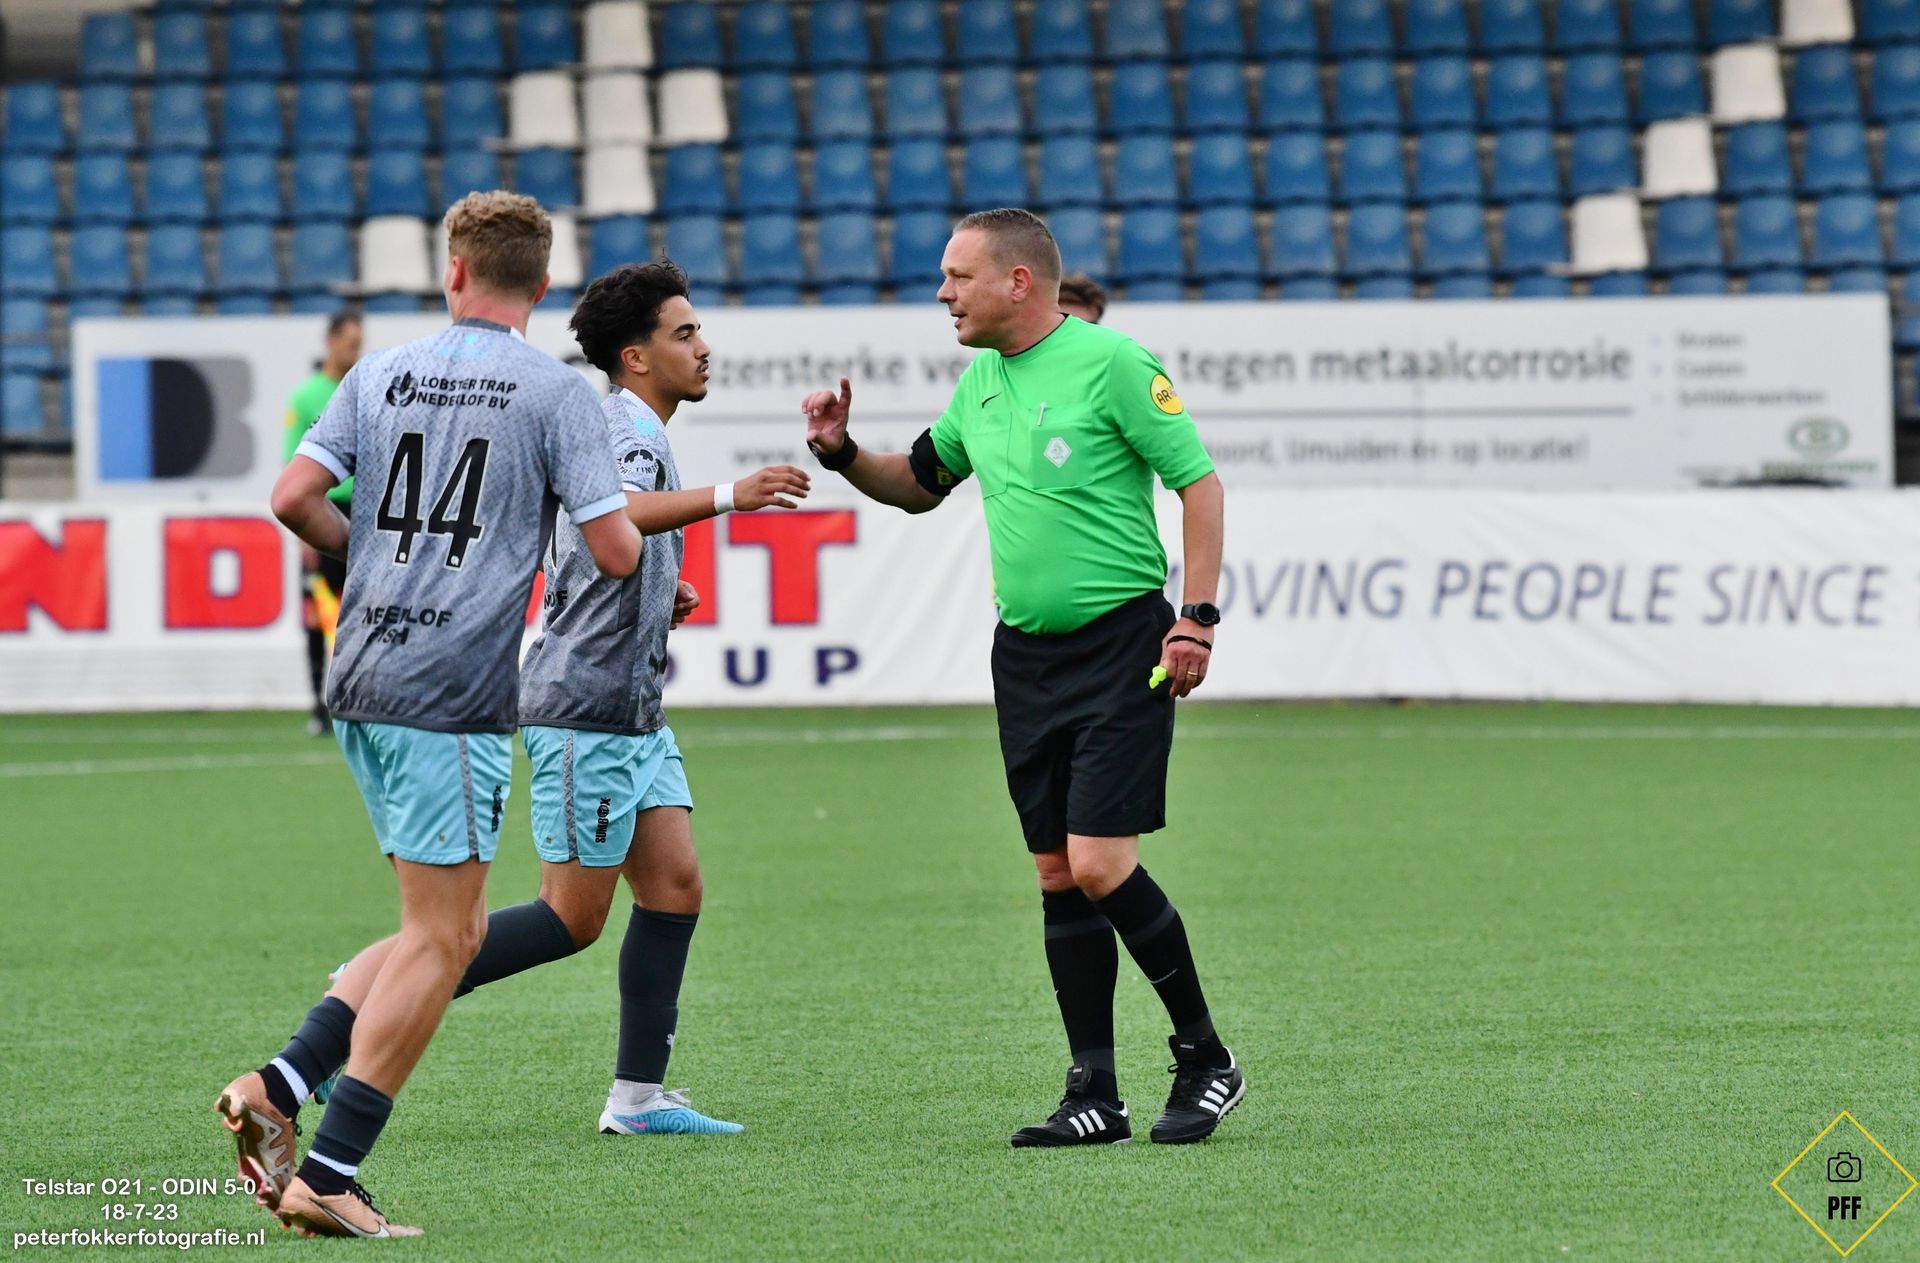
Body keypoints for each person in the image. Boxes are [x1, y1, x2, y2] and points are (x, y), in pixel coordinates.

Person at [278, 261, 810, 1140]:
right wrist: (730, 496)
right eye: (684, 333)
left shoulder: (629, 423)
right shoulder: (623, 427)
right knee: (567, 918)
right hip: (585, 703)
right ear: (636, 357)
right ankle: (365, 1000)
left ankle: (637, 1099)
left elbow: (584, 533)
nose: (703, 346)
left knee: (675, 887)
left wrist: (659, 590)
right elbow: (620, 513)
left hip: (632, 704)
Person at [220, 191, 641, 1238]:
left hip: (361, 673)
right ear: (542, 285)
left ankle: (281, 1083)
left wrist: (367, 552)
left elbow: (291, 497)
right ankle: (328, 1171)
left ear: (453, 271)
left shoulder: (380, 370)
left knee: (437, 928)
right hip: (450, 691)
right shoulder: (555, 391)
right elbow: (616, 550)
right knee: (446, 938)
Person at [800, 208, 1241, 1148]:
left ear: (1018, 281)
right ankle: (1095, 1093)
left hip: (1123, 644)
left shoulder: (1113, 363)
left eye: (958, 276)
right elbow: (919, 484)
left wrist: (1195, 617)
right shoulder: (982, 382)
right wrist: (842, 453)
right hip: (1026, 657)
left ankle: (1206, 1056)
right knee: (1056, 873)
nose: (943, 293)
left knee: (1100, 862)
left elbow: (1198, 484)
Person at [283, 312, 363, 735]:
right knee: (317, 615)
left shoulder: (365, 389)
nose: (356, 351)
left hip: (363, 512)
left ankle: (357, 696)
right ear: (331, 341)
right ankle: (319, 703)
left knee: (364, 610)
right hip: (322, 509)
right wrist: (302, 536)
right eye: (351, 343)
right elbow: (292, 464)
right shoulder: (306, 397)